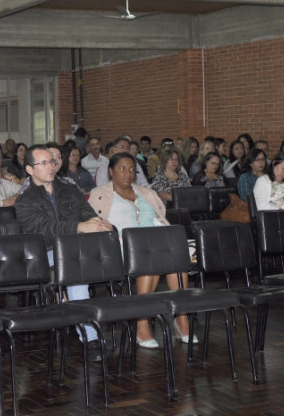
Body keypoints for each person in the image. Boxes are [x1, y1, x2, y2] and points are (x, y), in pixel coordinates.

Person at [88, 152, 197, 347]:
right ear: (111, 171)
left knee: (177, 261)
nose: (128, 173)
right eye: (122, 168)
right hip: (120, 247)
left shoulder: (145, 193)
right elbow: (94, 224)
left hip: (152, 243)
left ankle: (181, 318)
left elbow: (159, 219)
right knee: (148, 260)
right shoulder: (100, 194)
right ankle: (141, 322)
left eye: (132, 169)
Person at [15, 145, 113, 358]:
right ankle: (90, 336)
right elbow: (43, 231)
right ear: (30, 169)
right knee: (74, 270)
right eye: (43, 163)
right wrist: (79, 227)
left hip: (74, 250)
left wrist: (99, 222)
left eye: (51, 161)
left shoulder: (69, 190)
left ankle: (77, 317)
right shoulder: (25, 200)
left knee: (79, 260)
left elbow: (86, 213)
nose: (50, 166)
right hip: (44, 253)